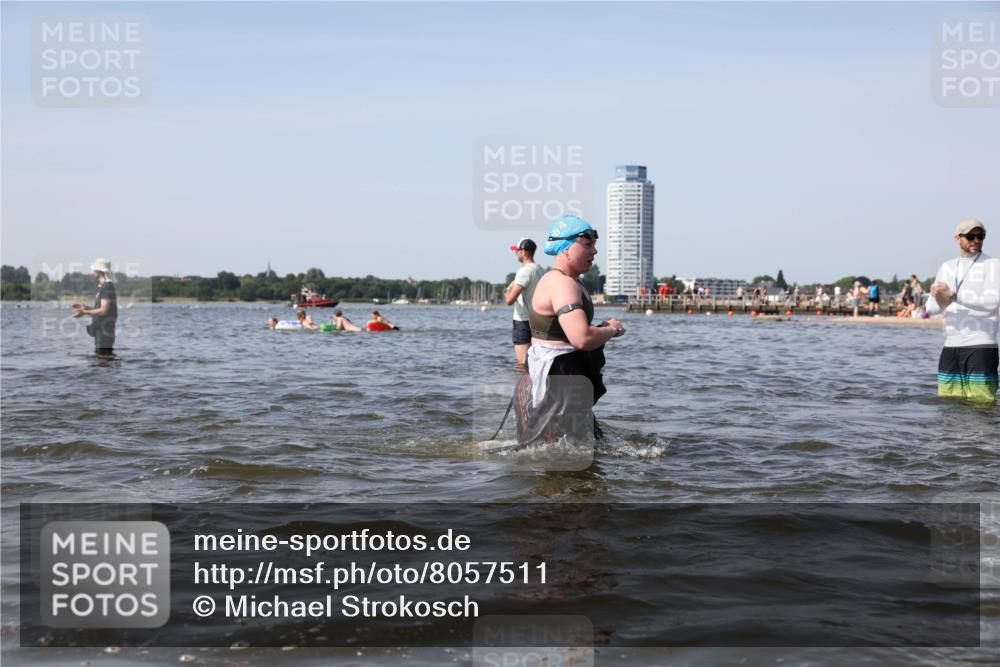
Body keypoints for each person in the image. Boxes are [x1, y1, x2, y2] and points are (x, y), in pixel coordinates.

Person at [512, 215, 625, 448]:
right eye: (587, 244)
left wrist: (601, 329)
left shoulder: (572, 282)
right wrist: (611, 330)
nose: (594, 251)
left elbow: (574, 332)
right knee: (556, 464)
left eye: (594, 245)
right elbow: (581, 338)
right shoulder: (562, 284)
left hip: (562, 381)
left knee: (586, 453)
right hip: (558, 383)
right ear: (565, 247)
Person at [928, 218, 1000, 403]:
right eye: (970, 236)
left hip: (981, 346)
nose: (976, 240)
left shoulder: (993, 265)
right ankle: (952, 434)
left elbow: (992, 302)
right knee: (948, 404)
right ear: (957, 238)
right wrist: (939, 297)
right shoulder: (947, 267)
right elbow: (931, 308)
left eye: (980, 236)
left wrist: (953, 296)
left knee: (981, 404)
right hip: (951, 346)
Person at [503, 238, 545, 369]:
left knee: (522, 363)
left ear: (524, 251)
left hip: (523, 321)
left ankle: (522, 388)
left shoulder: (524, 271)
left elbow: (509, 300)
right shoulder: (540, 269)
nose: (516, 253)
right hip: (538, 320)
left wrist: (507, 291)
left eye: (517, 250)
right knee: (534, 361)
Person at [72, 257, 117, 355]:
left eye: (94, 269)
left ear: (99, 271)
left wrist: (84, 312)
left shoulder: (106, 287)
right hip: (103, 332)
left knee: (102, 364)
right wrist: (86, 308)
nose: (93, 271)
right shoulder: (104, 286)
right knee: (103, 363)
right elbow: (102, 309)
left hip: (104, 334)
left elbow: (104, 311)